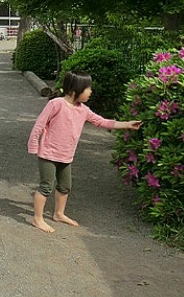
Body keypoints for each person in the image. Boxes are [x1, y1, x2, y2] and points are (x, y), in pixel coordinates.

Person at [28, 70, 142, 233]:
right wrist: (33, 145)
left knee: (65, 186)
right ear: (75, 90)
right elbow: (39, 124)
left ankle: (59, 214)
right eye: (87, 88)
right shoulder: (56, 104)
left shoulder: (83, 110)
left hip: (66, 156)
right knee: (46, 186)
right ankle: (37, 218)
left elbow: (102, 122)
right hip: (48, 154)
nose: (90, 92)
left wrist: (127, 124)